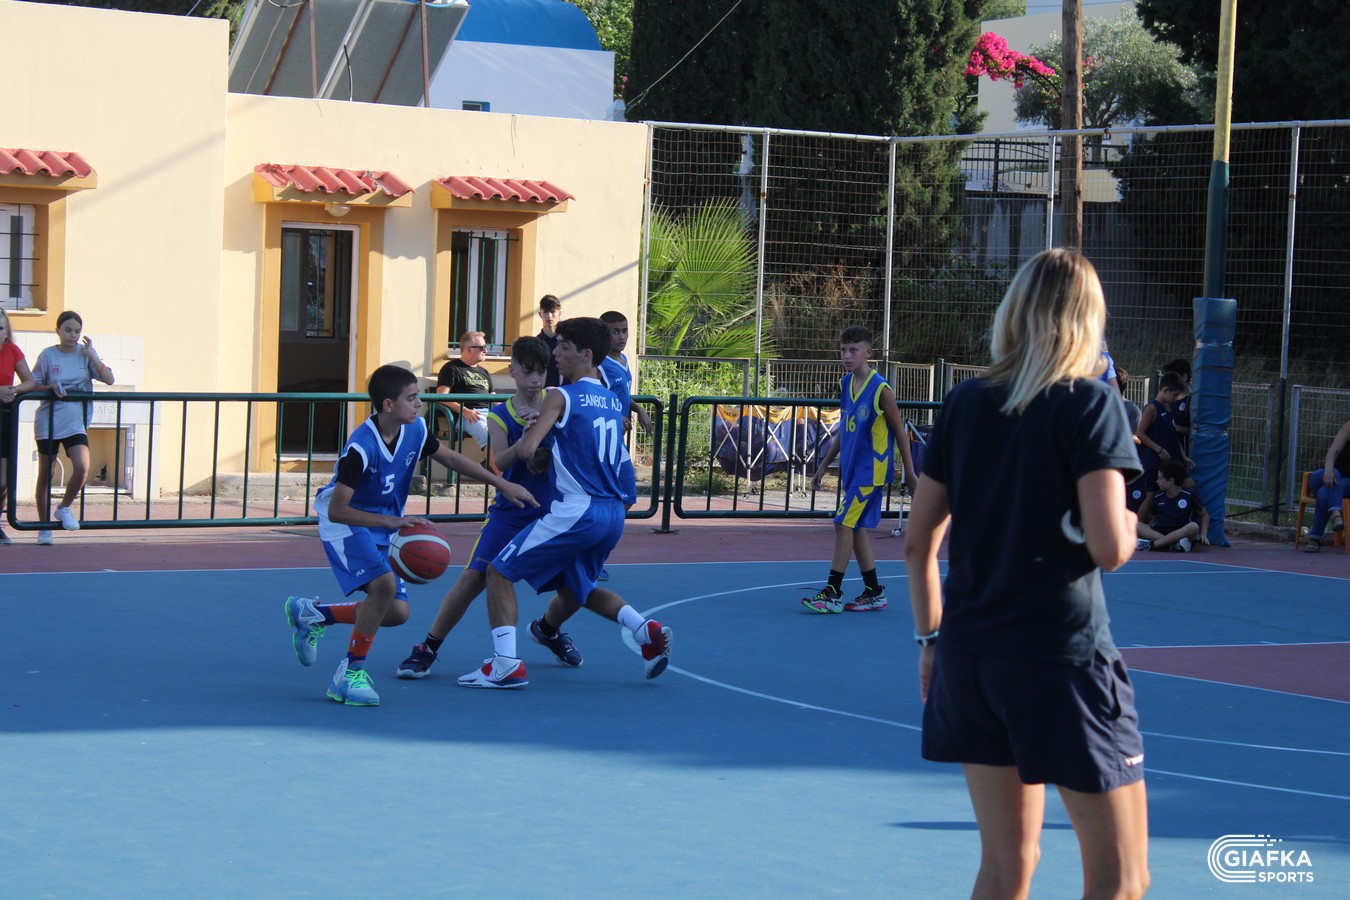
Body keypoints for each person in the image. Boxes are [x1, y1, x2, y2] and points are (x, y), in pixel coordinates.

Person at [904, 248, 1149, 899]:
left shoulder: (964, 401)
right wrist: (1129, 523)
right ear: (1087, 320)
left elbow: (918, 542)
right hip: (1059, 657)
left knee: (1006, 865)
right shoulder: (1090, 404)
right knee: (1123, 880)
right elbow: (1109, 546)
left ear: (1013, 312)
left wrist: (930, 641)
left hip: (970, 656)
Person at [283, 364, 537, 706]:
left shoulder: (415, 429)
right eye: (412, 398)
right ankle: (349, 674)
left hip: (385, 521)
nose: (419, 403)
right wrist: (390, 522)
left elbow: (451, 458)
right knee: (383, 588)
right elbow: (338, 510)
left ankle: (316, 614)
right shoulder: (361, 447)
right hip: (346, 523)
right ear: (388, 405)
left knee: (396, 613)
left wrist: (501, 483)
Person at [459, 317, 671, 689]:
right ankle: (644, 629)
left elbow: (526, 451)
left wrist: (533, 428)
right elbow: (617, 462)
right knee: (578, 587)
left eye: (564, 347)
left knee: (498, 572)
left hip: (578, 508)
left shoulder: (561, 396)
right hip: (612, 512)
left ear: (586, 354)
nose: (556, 353)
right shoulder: (612, 400)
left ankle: (505, 664)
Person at [395, 336, 577, 678]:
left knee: (576, 586)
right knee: (473, 578)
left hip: (551, 513)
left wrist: (544, 426)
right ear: (512, 371)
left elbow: (573, 450)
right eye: (527, 371)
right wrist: (527, 438)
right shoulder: (500, 415)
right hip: (510, 512)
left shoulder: (557, 404)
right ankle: (428, 648)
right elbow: (499, 463)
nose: (535, 379)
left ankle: (548, 630)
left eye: (540, 372)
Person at [801, 324, 916, 613]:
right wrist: (824, 464)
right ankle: (874, 591)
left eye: (853, 350)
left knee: (842, 523)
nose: (847, 355)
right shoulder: (845, 384)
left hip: (871, 470)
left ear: (868, 353)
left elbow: (900, 432)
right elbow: (845, 428)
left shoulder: (881, 389)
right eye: (843, 350)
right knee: (856, 528)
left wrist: (910, 473)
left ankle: (832, 592)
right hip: (853, 469)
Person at [29, 311, 115, 546]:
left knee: (82, 466)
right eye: (68, 330)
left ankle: (64, 508)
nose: (73, 335)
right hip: (49, 421)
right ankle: (44, 528)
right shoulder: (47, 355)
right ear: (58, 331)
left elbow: (109, 379)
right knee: (46, 473)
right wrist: (50, 387)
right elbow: (33, 384)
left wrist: (92, 356)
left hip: (75, 422)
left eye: (77, 331)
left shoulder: (85, 354)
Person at [0, 308, 37, 546]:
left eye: (0, 327)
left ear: (6, 332)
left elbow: (30, 381)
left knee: (2, 480)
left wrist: (12, 390)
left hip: (4, 419)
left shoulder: (12, 350)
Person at [436, 330, 494, 452]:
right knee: (489, 437)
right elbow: (441, 396)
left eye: (486, 347)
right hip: (468, 415)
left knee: (511, 432)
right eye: (481, 347)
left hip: (490, 414)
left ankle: (493, 462)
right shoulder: (452, 368)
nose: (485, 350)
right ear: (468, 349)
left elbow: (494, 398)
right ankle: (494, 464)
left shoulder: (484, 372)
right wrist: (464, 411)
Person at [598, 310, 653, 435]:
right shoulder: (600, 364)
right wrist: (614, 416)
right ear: (604, 334)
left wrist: (639, 409)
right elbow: (595, 400)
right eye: (615, 332)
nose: (622, 337)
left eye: (625, 331)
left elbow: (621, 394)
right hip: (604, 433)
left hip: (619, 433)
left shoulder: (623, 359)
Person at [1136, 459, 1208, 552]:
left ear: (1171, 481)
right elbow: (1155, 517)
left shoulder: (1189, 494)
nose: (1157, 481)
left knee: (1194, 527)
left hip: (1181, 533)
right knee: (1135, 525)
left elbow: (1204, 515)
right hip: (1161, 531)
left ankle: (1152, 545)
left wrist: (1203, 535)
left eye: (1160, 478)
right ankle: (1173, 544)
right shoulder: (1158, 496)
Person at [1302, 419, 1350, 553]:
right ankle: (1336, 515)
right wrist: (1329, 469)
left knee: (1324, 493)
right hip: (1325, 475)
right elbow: (1333, 450)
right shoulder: (1349, 427)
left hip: (1347, 483)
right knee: (1332, 478)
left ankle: (1315, 539)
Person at [1160, 358, 1192, 453]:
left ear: (1184, 377)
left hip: (1182, 455)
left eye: (1173, 378)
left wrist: (1173, 427)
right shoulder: (1166, 400)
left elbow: (1195, 430)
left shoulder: (1191, 401)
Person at [536, 294, 564, 387]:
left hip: (564, 391)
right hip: (541, 392)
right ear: (540, 314)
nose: (549, 316)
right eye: (546, 312)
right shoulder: (535, 344)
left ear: (559, 314)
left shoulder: (567, 343)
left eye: (553, 312)